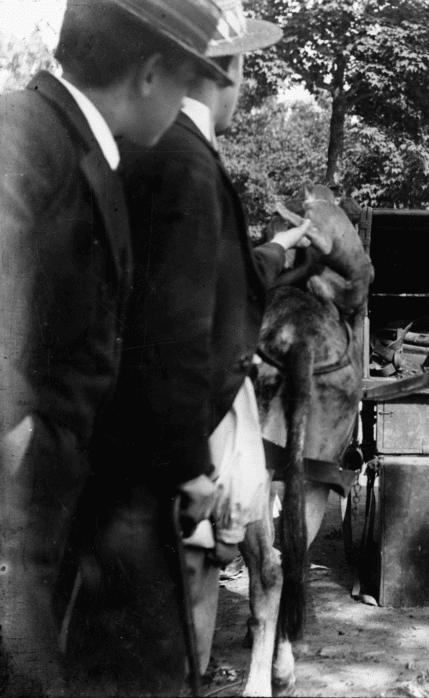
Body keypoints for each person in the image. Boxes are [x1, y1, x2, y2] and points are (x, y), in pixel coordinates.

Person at [63, 1, 317, 691]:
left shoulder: (161, 152)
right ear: (224, 71)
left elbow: (210, 281)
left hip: (126, 461)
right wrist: (189, 468)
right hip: (161, 468)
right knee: (151, 652)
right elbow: (171, 332)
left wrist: (273, 251)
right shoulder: (186, 163)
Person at [0, 0, 227, 693]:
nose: (188, 103)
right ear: (151, 73)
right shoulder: (24, 132)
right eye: (187, 81)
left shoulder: (80, 144)